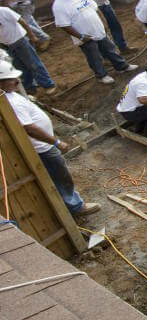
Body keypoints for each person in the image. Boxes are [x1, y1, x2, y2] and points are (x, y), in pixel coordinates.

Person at [0, 62, 100, 217]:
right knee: (60, 176)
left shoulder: (9, 94)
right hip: (42, 148)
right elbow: (30, 128)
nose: (17, 81)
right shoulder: (10, 102)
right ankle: (75, 207)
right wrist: (56, 142)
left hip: (43, 145)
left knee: (59, 175)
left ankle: (70, 204)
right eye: (11, 79)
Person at [52, 0, 137, 85]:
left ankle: (122, 66)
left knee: (110, 49)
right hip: (85, 36)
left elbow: (95, 8)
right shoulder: (59, 5)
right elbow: (64, 25)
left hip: (97, 29)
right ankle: (102, 75)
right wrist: (81, 36)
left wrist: (103, 22)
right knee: (94, 56)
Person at [0, 5, 55, 95]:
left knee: (34, 64)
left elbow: (22, 21)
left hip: (20, 40)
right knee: (20, 67)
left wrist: (32, 35)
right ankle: (30, 88)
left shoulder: (3, 11)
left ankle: (48, 85)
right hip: (7, 45)